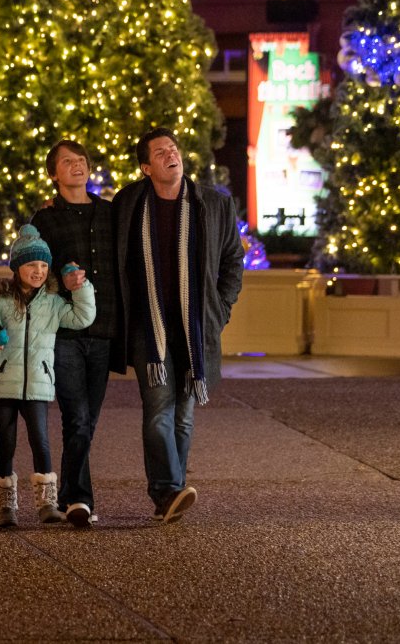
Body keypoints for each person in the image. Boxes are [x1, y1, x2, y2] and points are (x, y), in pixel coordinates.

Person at [112, 128, 244, 523]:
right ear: (146, 167)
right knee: (158, 411)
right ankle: (167, 489)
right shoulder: (129, 203)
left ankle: (170, 495)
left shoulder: (214, 204)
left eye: (173, 148)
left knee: (184, 416)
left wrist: (219, 310)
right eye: (160, 151)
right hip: (148, 328)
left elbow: (233, 262)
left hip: (195, 329)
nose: (171, 154)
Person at [0, 224, 95, 528]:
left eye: (43, 265)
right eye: (31, 264)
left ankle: (47, 504)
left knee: (41, 441)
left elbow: (82, 317)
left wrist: (80, 288)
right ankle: (5, 507)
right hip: (2, 385)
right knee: (6, 442)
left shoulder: (53, 304)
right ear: (17, 268)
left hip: (38, 385)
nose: (38, 271)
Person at [29, 140, 119, 528]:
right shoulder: (44, 219)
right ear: (54, 173)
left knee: (89, 420)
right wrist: (60, 278)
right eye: (67, 162)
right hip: (65, 330)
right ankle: (79, 499)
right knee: (77, 418)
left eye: (81, 161)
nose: (77, 167)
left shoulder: (111, 213)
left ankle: (70, 495)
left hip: (104, 329)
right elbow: (32, 271)